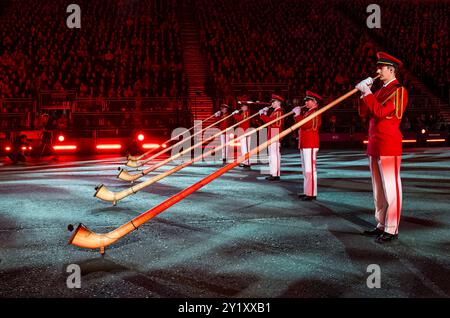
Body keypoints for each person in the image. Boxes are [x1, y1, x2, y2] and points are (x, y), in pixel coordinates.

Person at [356, 52, 409, 244]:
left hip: (389, 145)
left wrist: (368, 94)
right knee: (378, 189)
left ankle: (392, 228)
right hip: (375, 144)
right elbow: (364, 112)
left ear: (391, 70)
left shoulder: (399, 90)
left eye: (381, 68)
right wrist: (363, 93)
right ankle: (380, 224)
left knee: (391, 188)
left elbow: (380, 112)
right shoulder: (379, 91)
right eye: (378, 67)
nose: (377, 71)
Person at [293, 91, 322, 201]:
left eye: (308, 100)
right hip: (305, 143)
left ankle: (311, 193)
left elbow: (306, 125)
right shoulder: (308, 112)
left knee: (310, 170)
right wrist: (298, 115)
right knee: (305, 170)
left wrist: (297, 115)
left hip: (310, 143)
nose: (306, 102)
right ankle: (307, 191)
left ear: (314, 102)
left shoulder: (315, 112)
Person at [259, 94, 284, 181]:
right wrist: (265, 114)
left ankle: (276, 174)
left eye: (273, 102)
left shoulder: (279, 112)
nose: (272, 103)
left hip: (275, 134)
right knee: (271, 155)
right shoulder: (274, 112)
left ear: (278, 102)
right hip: (272, 133)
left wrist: (262, 115)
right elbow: (269, 122)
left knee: (275, 155)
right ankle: (272, 172)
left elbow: (273, 123)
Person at [232, 96, 252, 169]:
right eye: (242, 106)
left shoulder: (246, 113)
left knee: (246, 148)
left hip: (245, 132)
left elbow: (241, 120)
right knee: (244, 148)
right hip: (243, 132)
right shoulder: (243, 113)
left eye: (243, 106)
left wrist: (235, 114)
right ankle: (245, 161)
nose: (242, 107)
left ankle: (247, 162)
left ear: (246, 107)